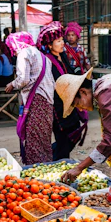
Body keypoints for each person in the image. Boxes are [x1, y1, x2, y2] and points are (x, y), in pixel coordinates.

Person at [37, 21, 89, 160]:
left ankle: (52, 156)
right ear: (49, 45)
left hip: (70, 102)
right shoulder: (47, 61)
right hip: (58, 107)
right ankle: (59, 164)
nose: (62, 43)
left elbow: (71, 72)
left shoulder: (63, 55)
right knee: (63, 139)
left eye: (62, 40)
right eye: (58, 41)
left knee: (74, 131)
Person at [5, 31, 55, 164]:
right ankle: (47, 166)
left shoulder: (24, 53)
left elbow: (23, 79)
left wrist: (12, 84)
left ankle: (36, 172)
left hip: (36, 100)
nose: (13, 52)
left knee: (34, 139)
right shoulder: (43, 56)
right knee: (44, 138)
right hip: (47, 101)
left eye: (12, 48)